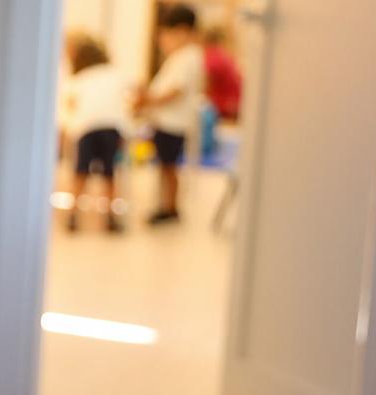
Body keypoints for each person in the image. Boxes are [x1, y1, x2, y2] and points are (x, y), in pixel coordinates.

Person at [135, 4, 205, 225]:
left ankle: (170, 207)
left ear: (183, 31)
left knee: (169, 167)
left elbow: (175, 91)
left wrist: (148, 99)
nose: (164, 41)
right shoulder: (183, 57)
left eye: (168, 34)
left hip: (173, 123)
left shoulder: (188, 57)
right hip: (166, 121)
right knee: (166, 167)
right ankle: (166, 204)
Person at [63, 36, 132, 233]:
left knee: (81, 173)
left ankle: (73, 215)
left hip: (87, 128)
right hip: (112, 128)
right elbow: (135, 91)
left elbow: (70, 105)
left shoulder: (80, 79)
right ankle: (111, 217)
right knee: (109, 173)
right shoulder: (115, 74)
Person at [203, 26, 242, 121]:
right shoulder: (225, 55)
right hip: (233, 104)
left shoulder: (212, 56)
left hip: (223, 108)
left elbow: (208, 84)